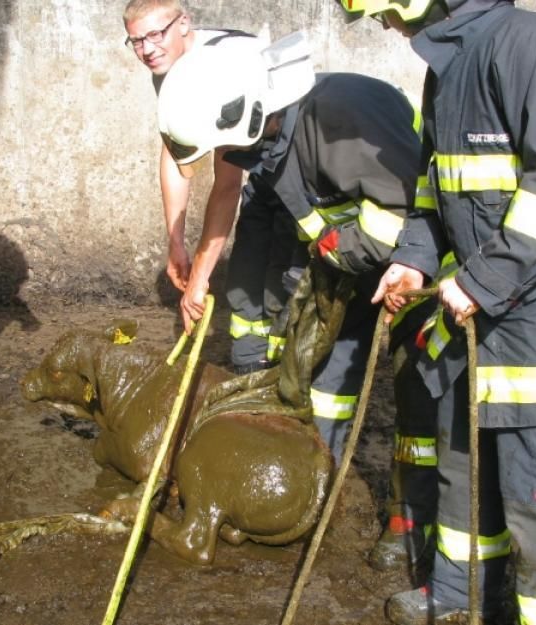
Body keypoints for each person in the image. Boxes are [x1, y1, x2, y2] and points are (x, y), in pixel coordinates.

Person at [336, 1, 536, 624]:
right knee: (464, 476)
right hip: (479, 323)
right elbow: (431, 188)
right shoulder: (448, 67)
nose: (384, 23)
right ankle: (458, 598)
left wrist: (481, 280)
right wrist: (414, 258)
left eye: (383, 10)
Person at [157, 31, 443, 570]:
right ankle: (315, 488)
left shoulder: (342, 121)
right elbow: (269, 222)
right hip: (350, 271)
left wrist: (342, 250)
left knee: (419, 396)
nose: (223, 157)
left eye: (222, 146)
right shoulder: (269, 142)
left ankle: (410, 515)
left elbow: (407, 211)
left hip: (418, 270)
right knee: (329, 387)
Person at [124, 0, 299, 374]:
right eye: (136, 41)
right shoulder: (168, 66)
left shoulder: (216, 69)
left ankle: (284, 373)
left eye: (156, 35)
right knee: (248, 273)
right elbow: (175, 152)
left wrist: (199, 279)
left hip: (293, 160)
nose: (147, 50)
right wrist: (175, 241)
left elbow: (228, 183)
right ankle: (252, 363)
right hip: (259, 162)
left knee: (282, 278)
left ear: (183, 23)